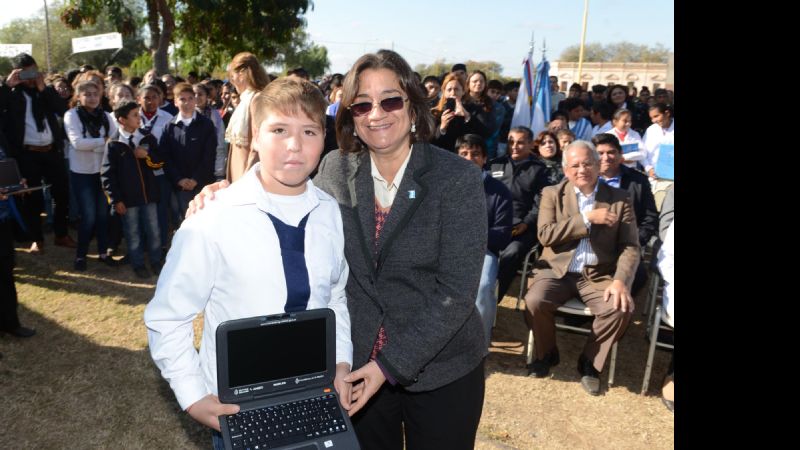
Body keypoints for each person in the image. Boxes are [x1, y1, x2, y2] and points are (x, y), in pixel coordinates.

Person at [191, 50, 488, 450]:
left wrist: (386, 368)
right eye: (361, 104)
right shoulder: (334, 168)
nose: (376, 113)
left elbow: (455, 292)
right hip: (355, 368)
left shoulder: (458, 180)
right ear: (349, 116)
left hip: (441, 369)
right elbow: (284, 191)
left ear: (414, 106)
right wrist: (225, 191)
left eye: (390, 100)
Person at [144, 78, 354, 447]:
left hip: (314, 393)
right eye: (279, 130)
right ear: (255, 137)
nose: (295, 145)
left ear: (324, 138)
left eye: (309, 131)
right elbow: (167, 316)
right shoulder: (213, 219)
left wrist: (340, 361)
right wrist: (192, 395)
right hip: (240, 405)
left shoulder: (328, 212)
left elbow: (335, 293)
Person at [524, 140, 639, 396]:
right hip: (557, 271)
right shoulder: (552, 193)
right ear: (565, 170)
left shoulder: (620, 199)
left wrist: (620, 280)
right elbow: (545, 235)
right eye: (574, 165)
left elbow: (630, 246)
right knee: (534, 301)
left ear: (598, 166)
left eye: (587, 163)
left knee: (619, 308)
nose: (582, 169)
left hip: (599, 275)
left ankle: (589, 362)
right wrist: (586, 219)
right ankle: (546, 353)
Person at [1, 53, 75, 253]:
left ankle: (61, 234)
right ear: (17, 73)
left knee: (61, 194)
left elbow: (63, 110)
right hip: (27, 154)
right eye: (27, 73)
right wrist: (7, 86)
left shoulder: (46, 91)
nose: (32, 77)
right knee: (32, 198)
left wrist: (44, 89)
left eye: (34, 71)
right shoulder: (11, 93)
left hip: (52, 151)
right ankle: (37, 238)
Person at [456, 134, 513, 349]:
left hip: (484, 251)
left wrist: (471, 234)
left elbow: (502, 235)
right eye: (463, 154)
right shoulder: (443, 186)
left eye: (475, 154)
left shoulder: (500, 192)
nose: (469, 158)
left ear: (485, 158)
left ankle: (478, 344)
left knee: (483, 286)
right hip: (446, 251)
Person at [101, 101, 163, 278]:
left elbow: (159, 162)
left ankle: (156, 260)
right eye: (135, 115)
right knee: (132, 232)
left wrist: (147, 156)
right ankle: (137, 264)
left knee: (154, 230)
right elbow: (107, 175)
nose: (139, 118)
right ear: (122, 120)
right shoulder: (113, 144)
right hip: (128, 201)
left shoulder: (147, 137)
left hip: (148, 197)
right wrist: (116, 200)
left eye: (139, 114)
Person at [593, 133, 658, 295]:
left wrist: (636, 240)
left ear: (620, 154)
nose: (606, 157)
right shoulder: (583, 178)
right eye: (600, 153)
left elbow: (650, 217)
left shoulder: (638, 181)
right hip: (588, 244)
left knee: (639, 276)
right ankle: (577, 317)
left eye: (611, 152)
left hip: (625, 245)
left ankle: (615, 312)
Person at [490, 126, 549, 302]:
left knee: (511, 253)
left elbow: (542, 203)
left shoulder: (540, 170)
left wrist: (527, 223)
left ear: (531, 144)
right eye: (511, 142)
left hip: (522, 228)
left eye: (521, 142)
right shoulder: (495, 164)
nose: (514, 146)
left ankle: (493, 297)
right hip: (493, 224)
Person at [64, 80, 118, 271]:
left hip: (103, 171)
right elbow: (77, 143)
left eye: (95, 94)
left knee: (103, 215)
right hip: (82, 172)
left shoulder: (106, 116)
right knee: (89, 216)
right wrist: (102, 142)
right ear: (78, 96)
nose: (92, 98)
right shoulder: (71, 115)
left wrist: (96, 144)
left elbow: (115, 139)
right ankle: (81, 255)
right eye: (87, 94)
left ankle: (103, 253)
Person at [159, 83, 217, 222]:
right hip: (180, 185)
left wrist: (196, 179)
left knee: (205, 219)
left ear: (195, 100)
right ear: (175, 102)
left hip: (203, 183)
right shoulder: (169, 127)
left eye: (190, 98)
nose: (187, 103)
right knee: (185, 220)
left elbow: (209, 155)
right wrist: (179, 179)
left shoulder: (206, 124)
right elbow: (165, 157)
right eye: (182, 99)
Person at [0, 146, 36, 338]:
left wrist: (16, 185)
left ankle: (9, 323)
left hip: (3, 220)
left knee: (5, 272)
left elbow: (5, 173)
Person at [225, 52, 271, 182]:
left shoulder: (256, 99)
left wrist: (249, 178)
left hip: (247, 174)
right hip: (239, 171)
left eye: (232, 76)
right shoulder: (245, 99)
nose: (232, 81)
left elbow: (259, 144)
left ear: (242, 74)